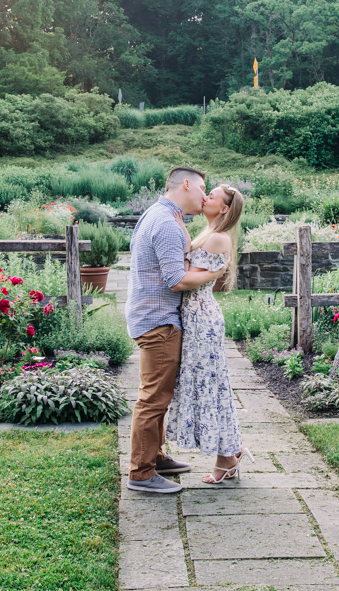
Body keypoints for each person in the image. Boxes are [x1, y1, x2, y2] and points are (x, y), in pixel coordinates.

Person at [125, 166, 222, 494]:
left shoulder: (163, 215)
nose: (205, 195)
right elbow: (176, 280)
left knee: (158, 396)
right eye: (203, 188)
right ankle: (141, 473)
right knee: (153, 399)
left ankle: (156, 457)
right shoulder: (166, 222)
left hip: (152, 317)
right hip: (159, 322)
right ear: (186, 184)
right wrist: (214, 272)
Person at [165, 183, 251, 483]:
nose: (205, 197)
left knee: (209, 386)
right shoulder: (209, 232)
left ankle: (227, 457)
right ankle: (229, 453)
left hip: (202, 319)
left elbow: (187, 277)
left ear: (224, 208)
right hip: (197, 316)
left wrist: (211, 272)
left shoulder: (217, 238)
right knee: (210, 384)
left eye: (211, 196)